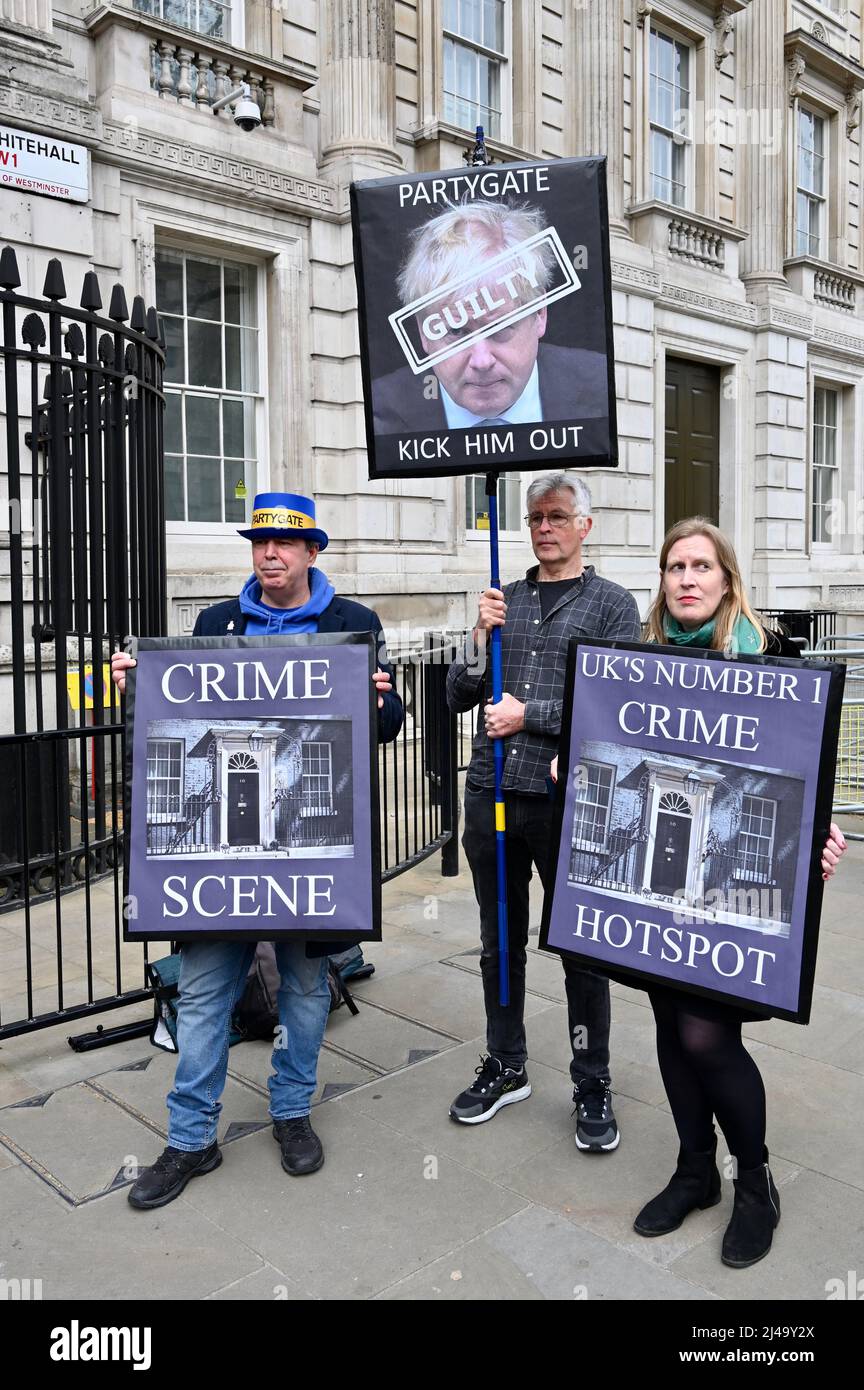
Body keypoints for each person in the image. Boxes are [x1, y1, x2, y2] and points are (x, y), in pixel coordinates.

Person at [553, 516, 846, 1266]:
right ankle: (694, 1170)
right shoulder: (639, 663)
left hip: (729, 895)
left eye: (700, 566)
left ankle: (754, 1182)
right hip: (652, 891)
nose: (686, 578)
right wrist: (573, 766)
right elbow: (603, 750)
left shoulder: (772, 659)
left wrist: (824, 831)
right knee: (668, 1025)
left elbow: (802, 774)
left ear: (726, 579)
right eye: (674, 566)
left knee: (706, 1034)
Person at [111, 492, 403, 1209]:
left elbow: (389, 726)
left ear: (311, 553)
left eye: (284, 543)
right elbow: (178, 720)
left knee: (305, 992)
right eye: (259, 542)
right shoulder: (215, 624)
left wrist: (381, 700)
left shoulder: (353, 625)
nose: (269, 554)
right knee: (206, 992)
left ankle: (291, 1111)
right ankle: (189, 1139)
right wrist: (136, 685)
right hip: (220, 855)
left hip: (311, 850)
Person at [446, 471, 641, 1149]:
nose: (544, 528)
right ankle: (506, 1063)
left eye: (557, 516)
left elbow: (618, 708)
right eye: (534, 519)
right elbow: (456, 693)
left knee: (580, 947)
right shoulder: (506, 598)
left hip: (570, 798)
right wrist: (478, 634)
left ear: (585, 525)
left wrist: (532, 715)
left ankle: (592, 1080)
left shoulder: (614, 606)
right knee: (500, 938)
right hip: (492, 793)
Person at [372, 202, 609, 434]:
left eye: (500, 327)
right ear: (424, 333)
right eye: (456, 332)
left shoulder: (600, 386)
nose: (482, 361)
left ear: (540, 314)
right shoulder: (381, 410)